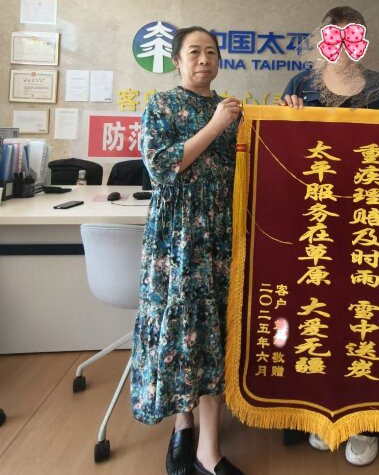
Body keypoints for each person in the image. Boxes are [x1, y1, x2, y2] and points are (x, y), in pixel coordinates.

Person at [280, 5, 379, 467]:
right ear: (320, 40)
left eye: (349, 35)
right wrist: (285, 118)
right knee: (320, 316)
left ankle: (366, 421)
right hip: (315, 222)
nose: (339, 45)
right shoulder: (300, 85)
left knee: (367, 316)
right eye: (331, 36)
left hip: (369, 222)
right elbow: (284, 152)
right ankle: (321, 411)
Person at [130, 26, 244, 475]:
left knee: (212, 329)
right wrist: (216, 125)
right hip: (176, 237)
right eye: (194, 52)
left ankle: (208, 448)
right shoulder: (161, 105)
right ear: (177, 61)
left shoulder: (233, 111)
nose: (204, 59)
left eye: (211, 52)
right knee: (181, 328)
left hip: (220, 232)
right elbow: (161, 166)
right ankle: (183, 424)